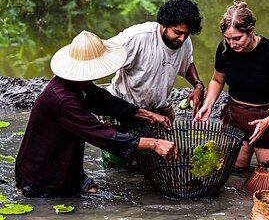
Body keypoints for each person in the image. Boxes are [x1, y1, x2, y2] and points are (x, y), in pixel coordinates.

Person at [15, 30, 178, 197]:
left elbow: (105, 102)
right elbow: (102, 135)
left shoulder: (78, 84)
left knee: (92, 192)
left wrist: (149, 115)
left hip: (66, 165)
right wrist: (155, 143)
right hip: (40, 178)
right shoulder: (64, 100)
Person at [194, 0, 269, 172]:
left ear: (251, 32)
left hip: (266, 117)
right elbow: (217, 80)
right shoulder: (225, 49)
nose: (232, 45)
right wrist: (207, 105)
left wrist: (268, 121)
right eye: (227, 39)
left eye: (237, 39)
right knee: (232, 173)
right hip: (235, 116)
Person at [104, 0, 205, 167]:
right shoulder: (137, 38)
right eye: (177, 33)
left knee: (155, 164)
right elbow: (102, 55)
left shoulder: (184, 42)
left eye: (186, 34)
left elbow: (186, 64)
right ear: (164, 24)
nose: (181, 39)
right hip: (125, 108)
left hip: (160, 112)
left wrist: (198, 84)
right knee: (118, 166)